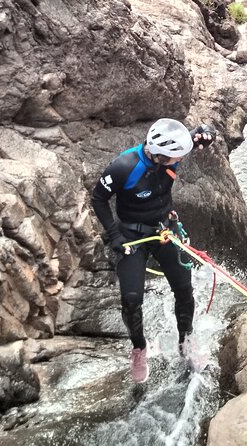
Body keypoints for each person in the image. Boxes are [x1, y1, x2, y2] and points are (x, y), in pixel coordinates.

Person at [91, 118, 216, 383]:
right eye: (176, 158)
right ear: (161, 156)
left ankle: (186, 341)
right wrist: (114, 235)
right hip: (131, 237)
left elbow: (197, 135)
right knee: (132, 299)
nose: (181, 160)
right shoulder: (124, 166)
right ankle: (139, 349)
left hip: (164, 231)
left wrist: (206, 133)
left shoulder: (170, 152)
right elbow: (98, 198)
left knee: (184, 289)